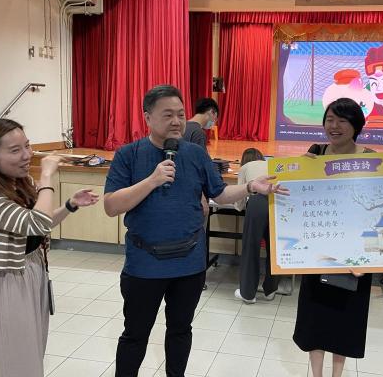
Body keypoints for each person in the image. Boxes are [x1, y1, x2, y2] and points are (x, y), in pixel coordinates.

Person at [103, 85, 288, 377]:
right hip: (144, 264)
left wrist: (251, 186)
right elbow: (111, 205)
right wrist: (151, 180)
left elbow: (220, 193)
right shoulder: (129, 154)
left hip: (189, 263)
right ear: (147, 117)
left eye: (180, 114)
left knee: (180, 330)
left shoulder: (195, 154)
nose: (177, 121)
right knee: (135, 334)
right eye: (168, 115)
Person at [0, 118, 99, 377]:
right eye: (15, 150)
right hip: (6, 279)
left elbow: (36, 227)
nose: (27, 155)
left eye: (27, 145)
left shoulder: (19, 183)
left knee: (32, 356)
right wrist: (46, 176)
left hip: (33, 269)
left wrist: (70, 205)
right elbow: (37, 222)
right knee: (15, 363)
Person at [293, 98, 374, 377]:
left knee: (345, 320)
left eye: (342, 120)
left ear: (356, 125)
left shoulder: (370, 157)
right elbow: (301, 197)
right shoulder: (316, 152)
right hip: (318, 250)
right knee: (315, 318)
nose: (334, 126)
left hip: (355, 254)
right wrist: (300, 170)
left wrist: (368, 256)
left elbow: (375, 208)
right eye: (329, 120)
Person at [233, 148, 280, 304]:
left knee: (251, 248)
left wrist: (238, 207)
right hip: (277, 203)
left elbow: (239, 200)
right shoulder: (271, 164)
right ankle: (270, 290)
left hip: (257, 202)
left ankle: (248, 294)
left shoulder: (245, 168)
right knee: (274, 249)